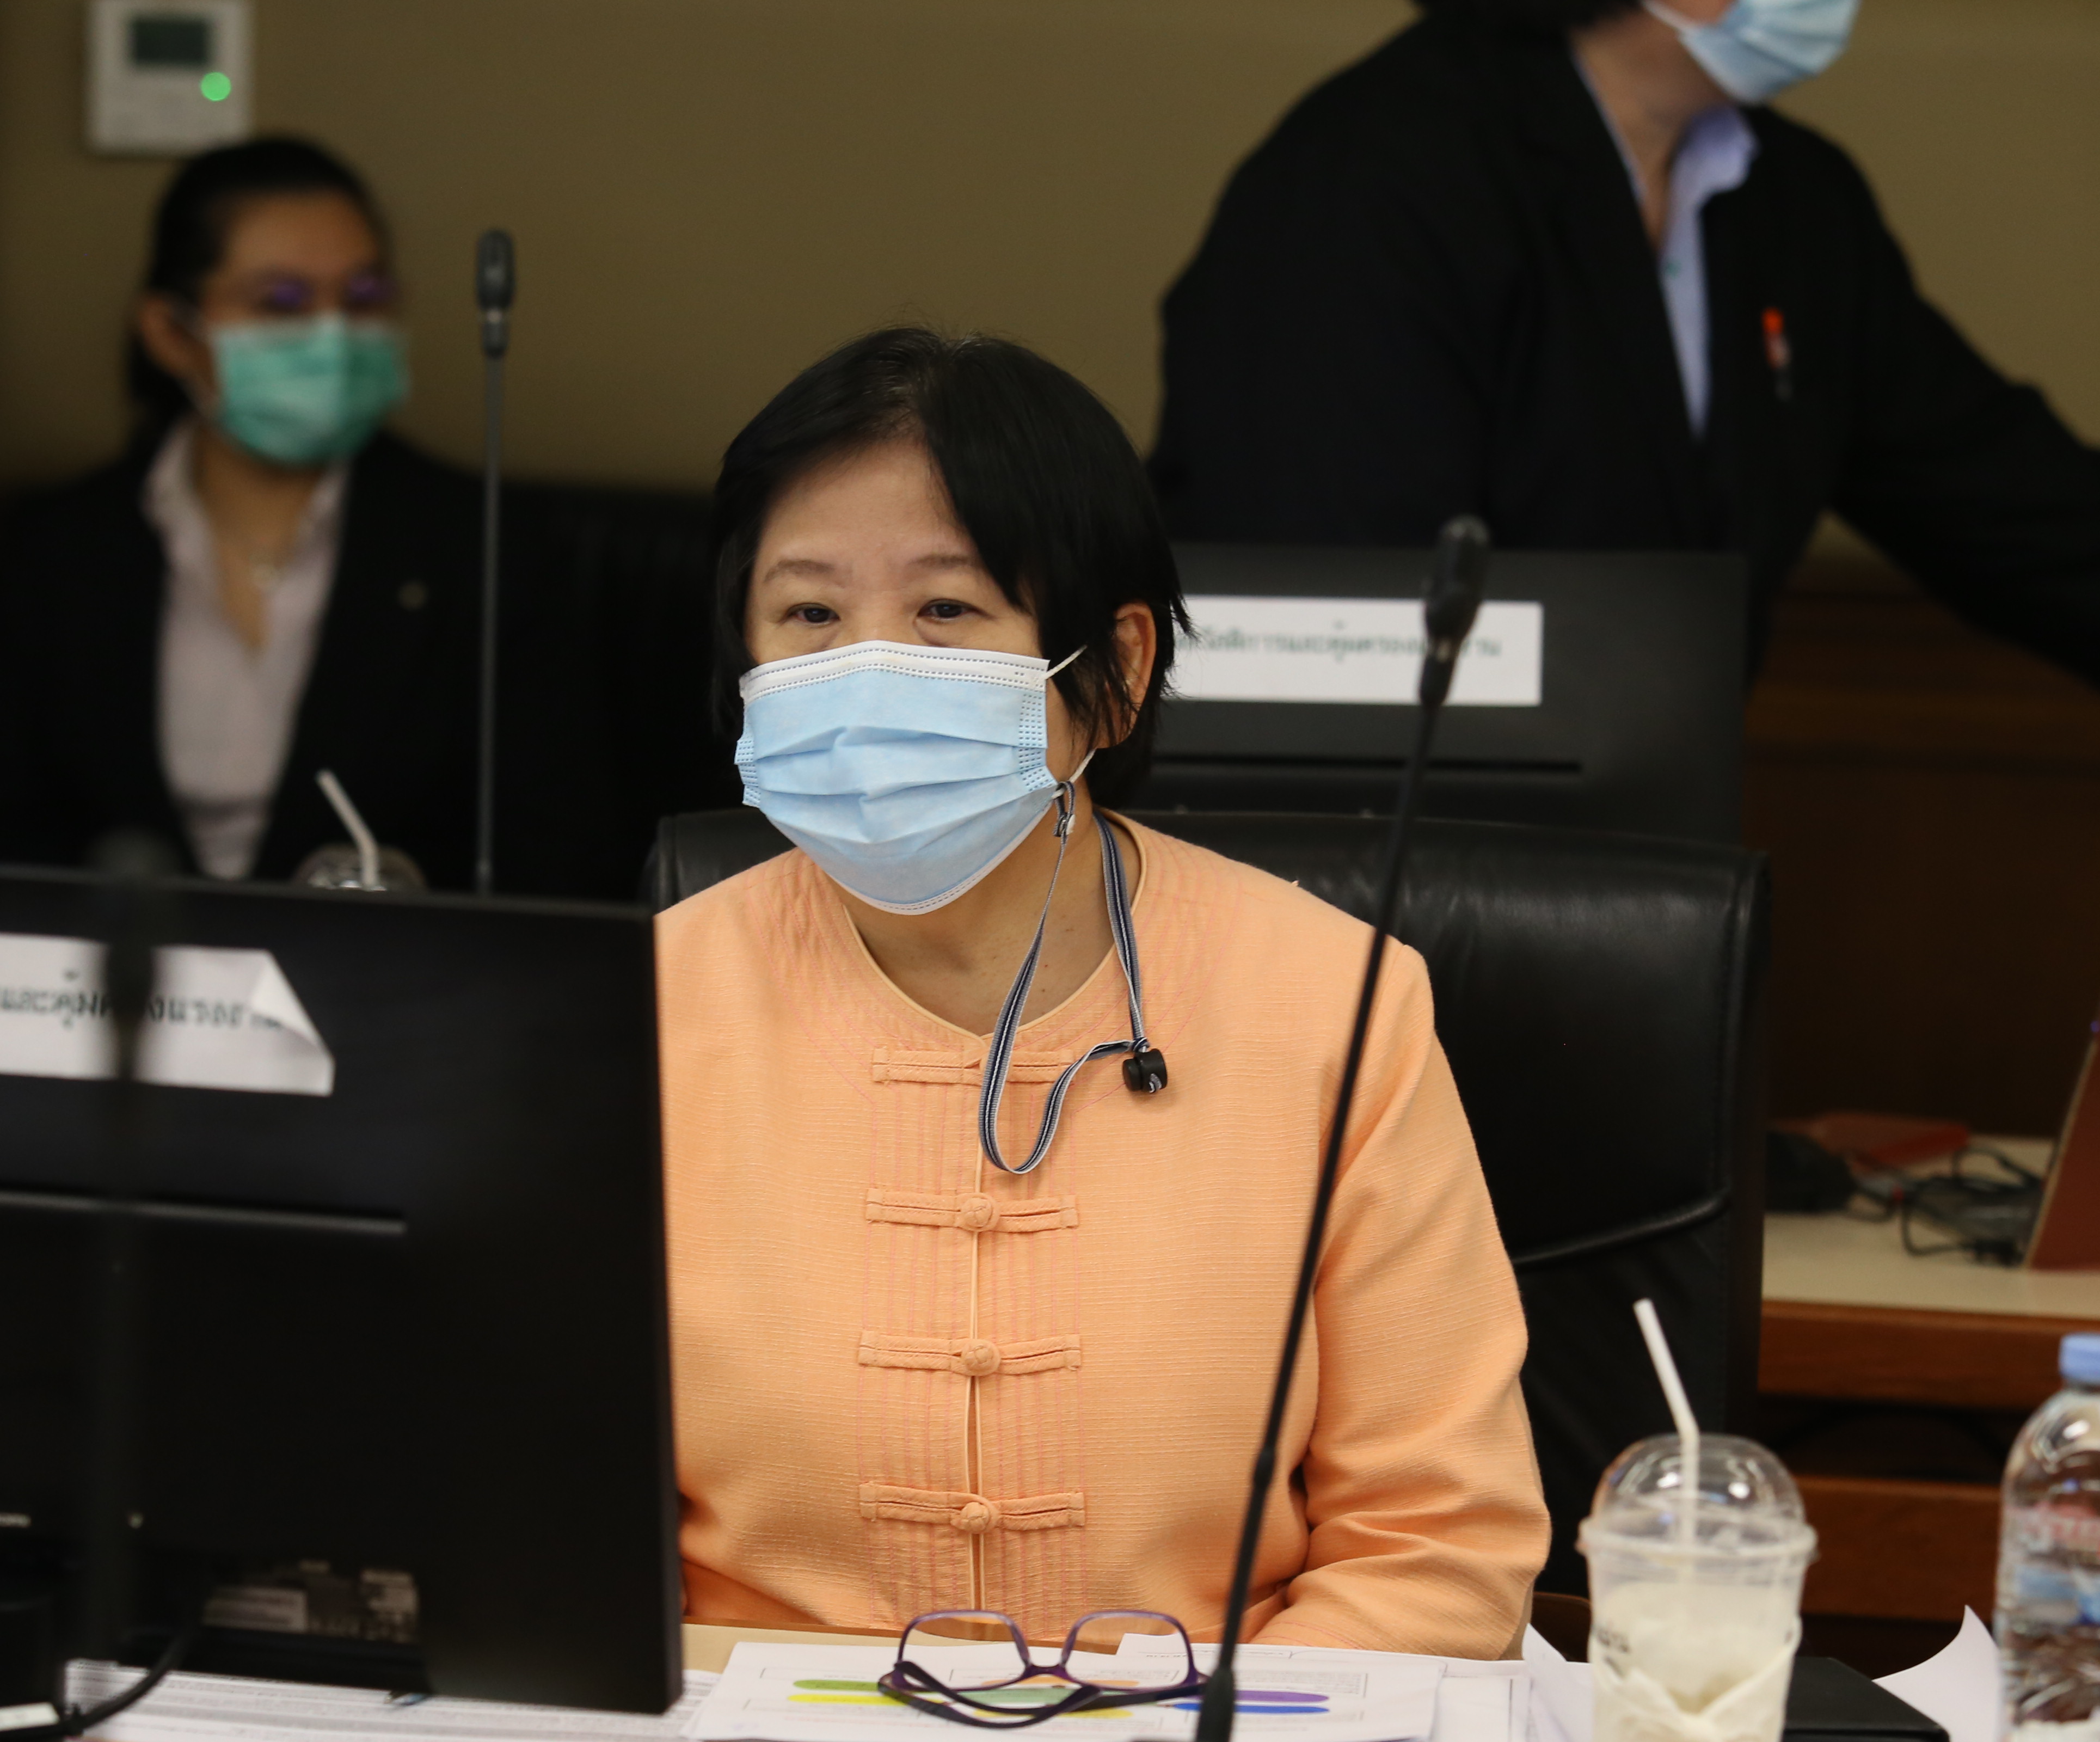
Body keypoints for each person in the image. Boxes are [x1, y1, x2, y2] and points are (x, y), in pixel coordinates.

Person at [1151, 0, 2100, 983]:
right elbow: (1327, 632)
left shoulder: (1788, 199)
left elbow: (2000, 491)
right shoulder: (1374, 174)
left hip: (1625, 914)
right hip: (1366, 935)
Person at [655, 328, 1548, 1660]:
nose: (866, 668)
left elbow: (1437, 1546)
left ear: (1115, 670)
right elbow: (549, 1517)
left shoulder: (1336, 1005)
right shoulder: (639, 1010)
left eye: (946, 610)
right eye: (809, 616)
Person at [0, 137, 479, 886]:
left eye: (363, 297)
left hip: (377, 959)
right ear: (171, 333)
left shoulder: (481, 543)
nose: (332, 334)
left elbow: (555, 846)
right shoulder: (61, 545)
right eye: (280, 302)